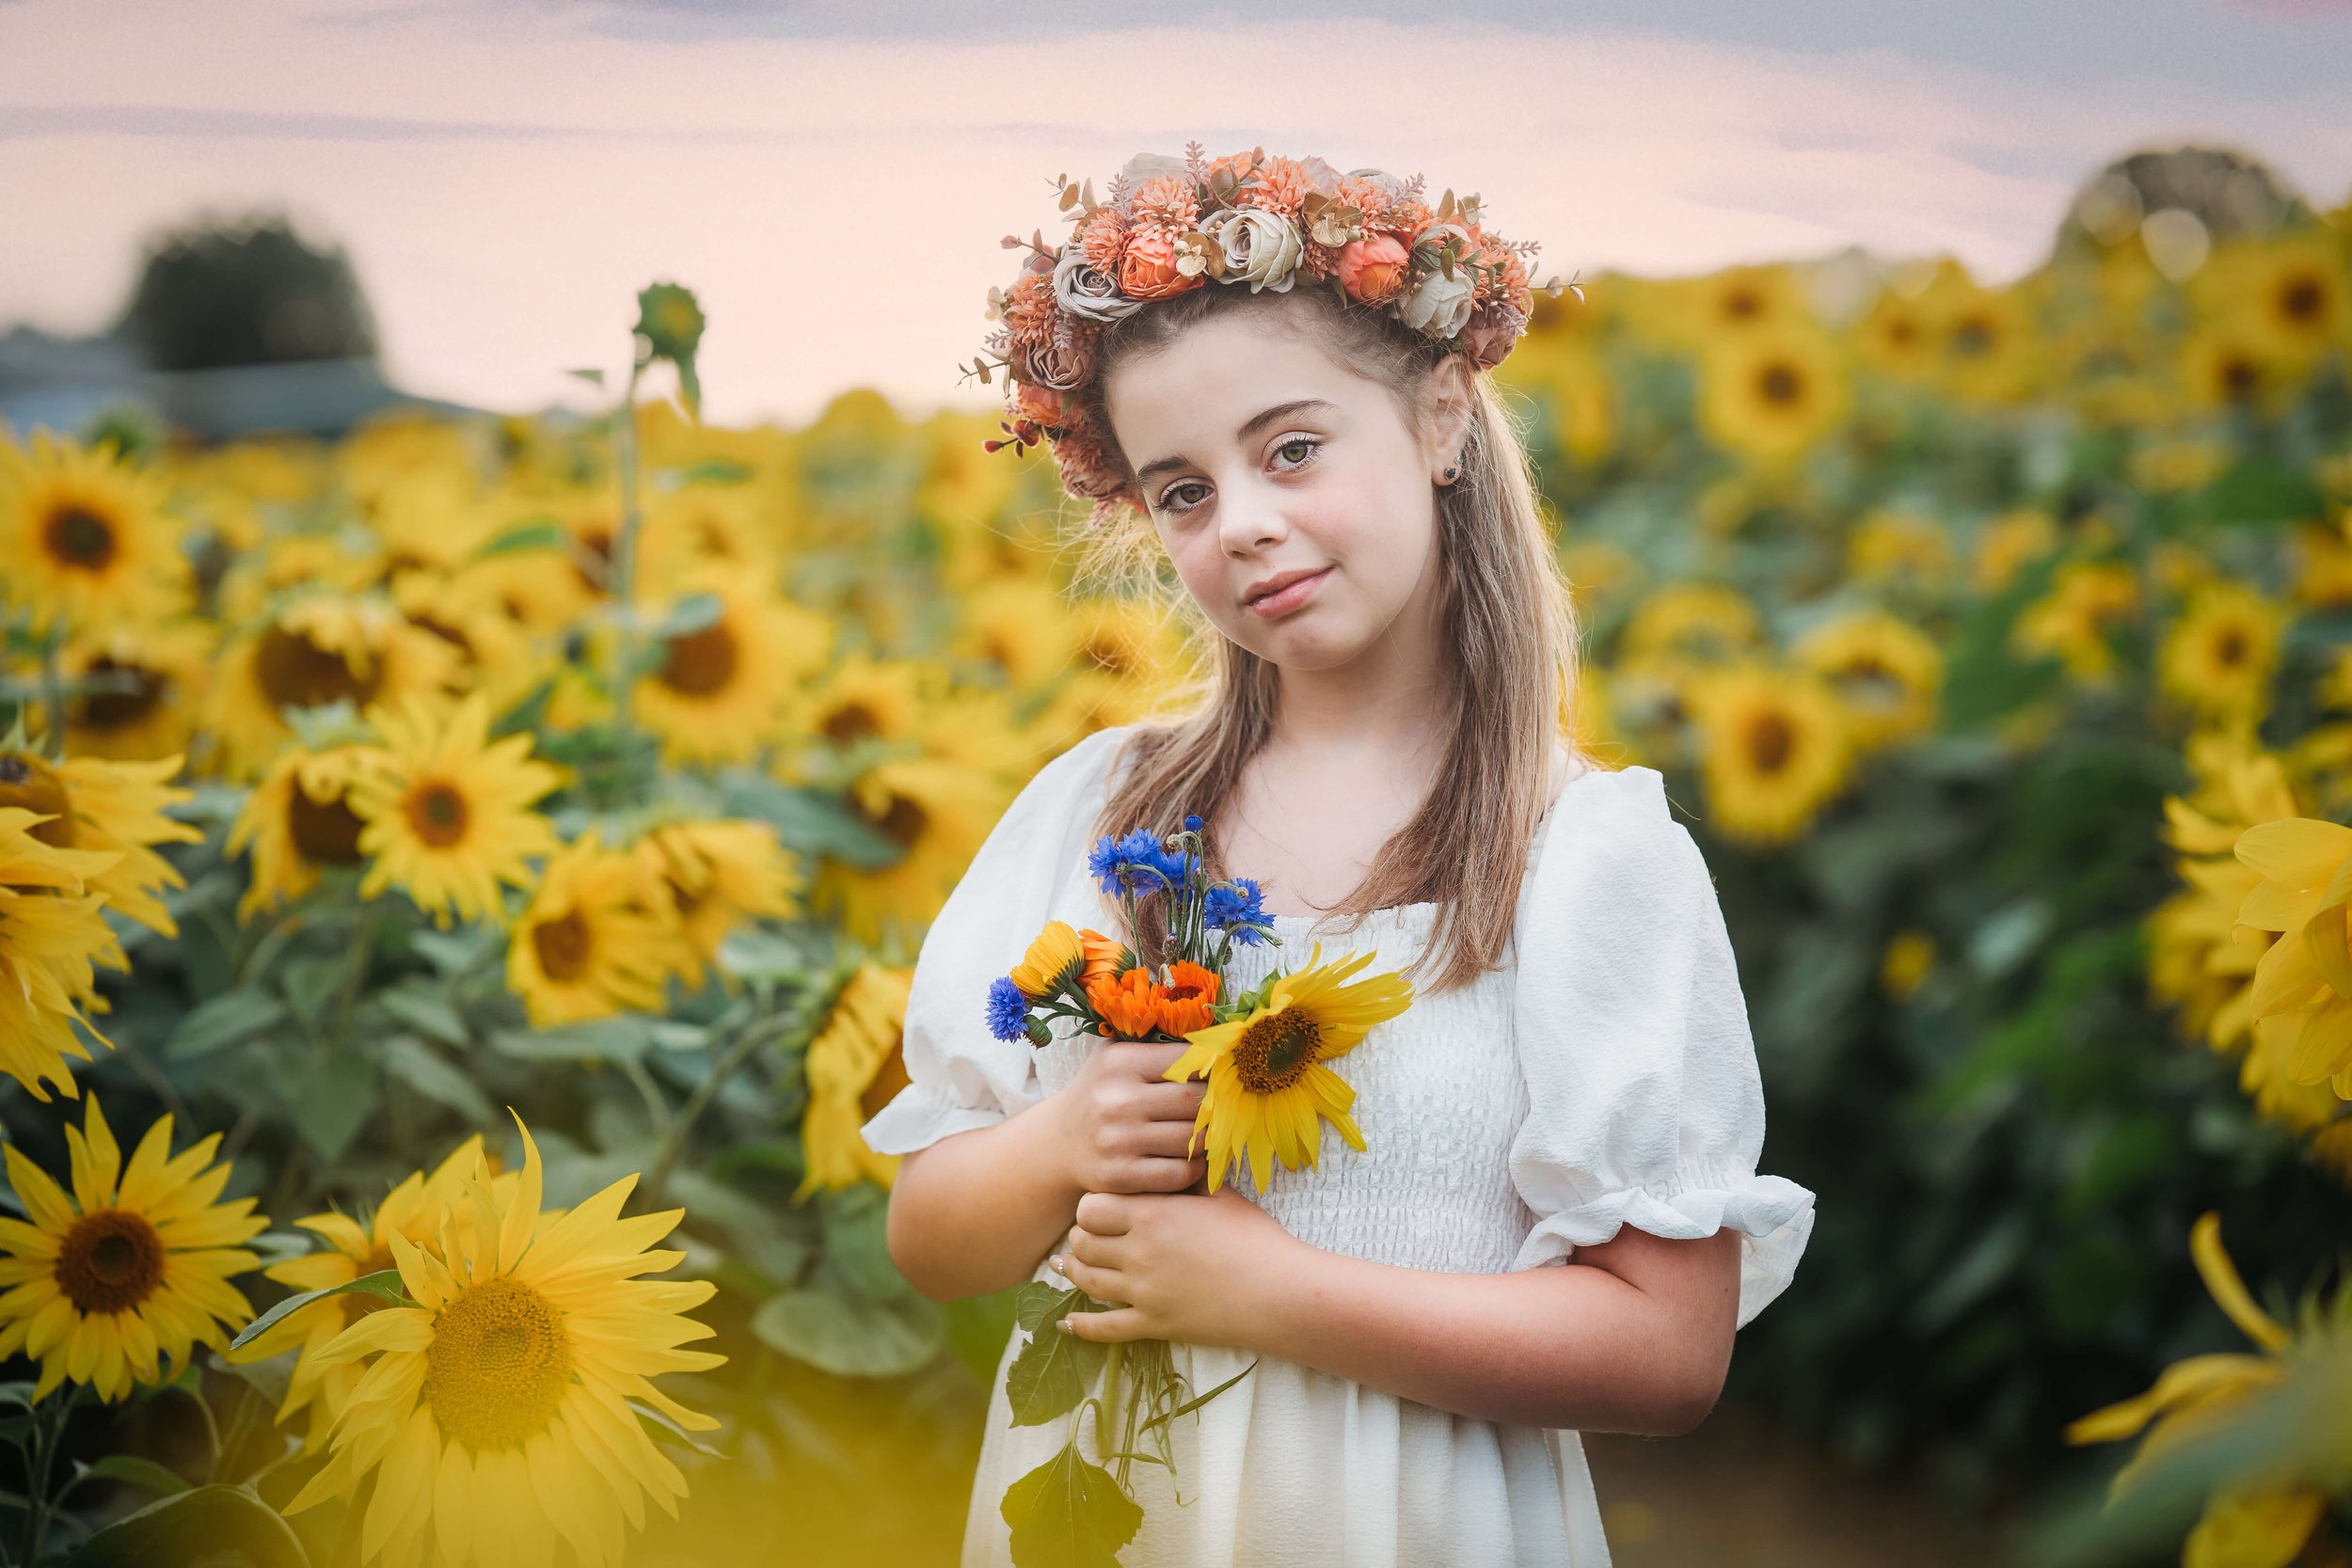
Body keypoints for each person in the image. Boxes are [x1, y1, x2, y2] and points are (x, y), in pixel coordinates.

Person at [864, 146, 1817, 1568]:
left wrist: (1266, 1290)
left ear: (1438, 418)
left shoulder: (1577, 853)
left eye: (1292, 448)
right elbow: (932, 1241)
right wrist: (1060, 1143)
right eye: (1182, 491)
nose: (1242, 520)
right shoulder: (1103, 810)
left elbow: (1666, 1354)